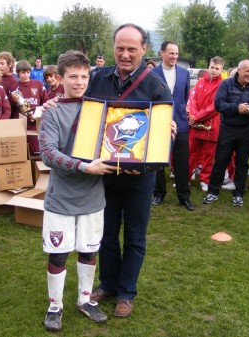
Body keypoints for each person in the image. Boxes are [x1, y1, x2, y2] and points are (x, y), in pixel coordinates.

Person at [86, 24, 173, 317]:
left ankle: (127, 292)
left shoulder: (156, 85)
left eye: (131, 49)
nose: (125, 55)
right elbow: (84, 117)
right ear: (113, 48)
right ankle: (109, 283)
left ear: (143, 49)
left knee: (135, 235)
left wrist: (147, 164)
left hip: (140, 178)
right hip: (106, 173)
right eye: (120, 48)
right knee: (106, 233)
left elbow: (164, 137)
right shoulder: (97, 79)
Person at [39, 50, 117, 331]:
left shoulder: (99, 109)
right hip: (61, 199)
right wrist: (86, 168)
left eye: (85, 76)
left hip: (93, 198)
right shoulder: (51, 112)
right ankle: (54, 305)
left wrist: (162, 126)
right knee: (58, 253)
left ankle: (85, 300)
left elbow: (126, 133)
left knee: (89, 250)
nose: (80, 81)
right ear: (60, 78)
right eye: (73, 76)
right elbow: (48, 154)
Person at [202, 59, 249, 207]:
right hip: (228, 129)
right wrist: (236, 107)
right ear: (239, 70)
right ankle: (213, 192)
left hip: (246, 129)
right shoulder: (227, 84)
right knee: (221, 160)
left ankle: (238, 193)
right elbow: (218, 104)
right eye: (247, 71)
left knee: (242, 163)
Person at [151, 41, 194, 211]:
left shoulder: (184, 73)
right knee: (158, 160)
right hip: (159, 123)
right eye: (171, 53)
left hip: (181, 123)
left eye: (176, 53)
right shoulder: (152, 74)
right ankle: (159, 193)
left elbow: (184, 96)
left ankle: (184, 196)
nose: (175, 56)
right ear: (162, 53)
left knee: (182, 161)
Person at [188, 56, 224, 193]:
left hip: (212, 125)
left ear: (221, 70)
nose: (214, 70)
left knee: (209, 155)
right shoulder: (200, 82)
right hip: (196, 123)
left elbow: (215, 106)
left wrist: (196, 117)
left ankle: (205, 180)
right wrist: (193, 116)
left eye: (217, 68)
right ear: (208, 67)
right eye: (212, 67)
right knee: (191, 152)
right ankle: (186, 178)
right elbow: (193, 100)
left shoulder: (222, 85)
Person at [10, 60, 48, 156]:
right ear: (18, 73)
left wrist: (37, 115)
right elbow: (10, 108)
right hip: (19, 125)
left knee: (36, 152)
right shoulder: (14, 87)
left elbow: (45, 102)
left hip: (35, 124)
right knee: (20, 153)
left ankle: (36, 170)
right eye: (23, 72)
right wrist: (13, 101)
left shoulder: (38, 84)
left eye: (28, 72)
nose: (25, 75)